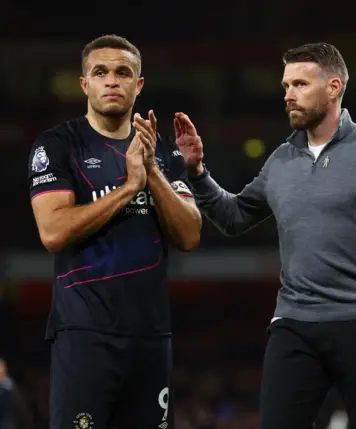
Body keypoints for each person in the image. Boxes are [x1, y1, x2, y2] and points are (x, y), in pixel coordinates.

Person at [174, 41, 356, 429]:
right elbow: (234, 217)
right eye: (286, 86)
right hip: (294, 324)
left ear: (334, 87)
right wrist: (198, 173)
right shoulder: (281, 160)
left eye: (300, 84)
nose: (288, 94)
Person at [27, 34, 202, 429]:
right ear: (84, 84)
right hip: (85, 334)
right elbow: (53, 231)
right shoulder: (57, 145)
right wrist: (128, 188)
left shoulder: (160, 150)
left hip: (151, 336)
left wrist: (152, 173)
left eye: (123, 73)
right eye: (100, 72)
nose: (112, 81)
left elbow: (190, 234)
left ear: (138, 85)